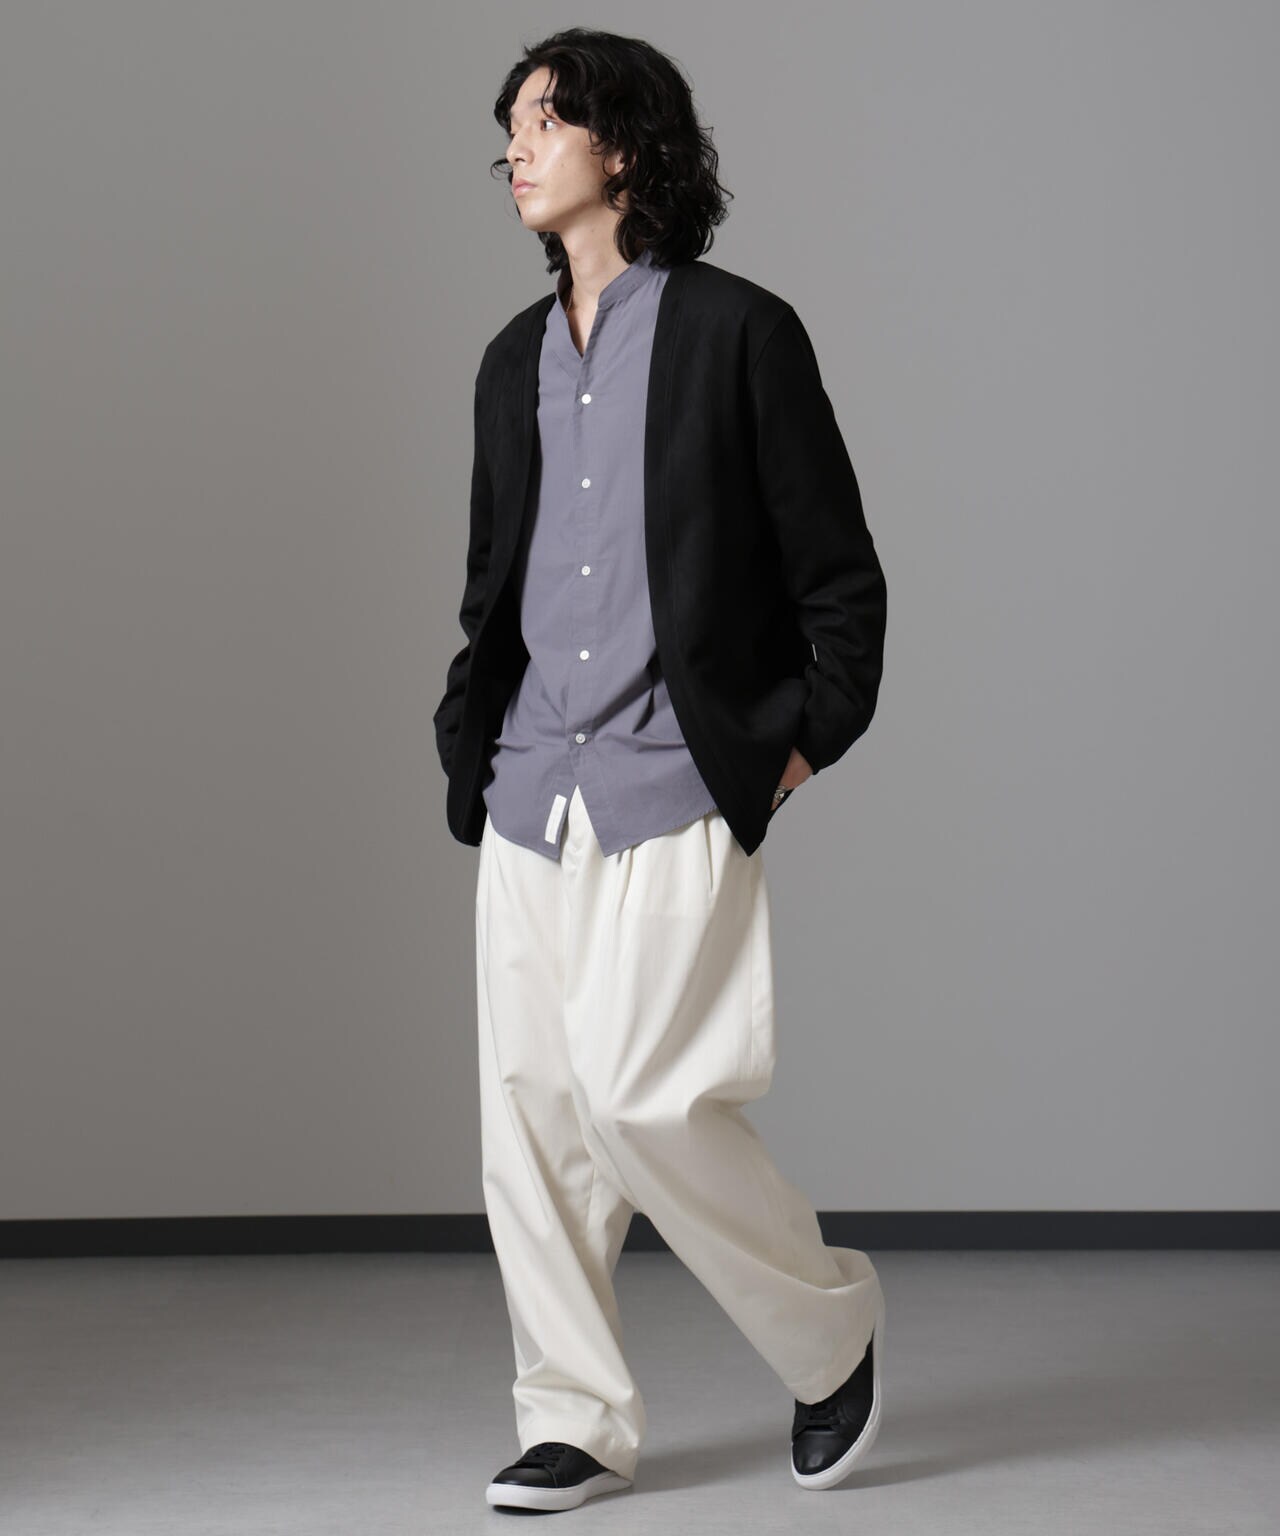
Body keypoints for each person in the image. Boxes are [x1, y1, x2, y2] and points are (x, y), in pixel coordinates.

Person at [433, 27, 888, 1514]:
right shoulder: (509, 362)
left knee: (645, 1099)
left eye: (545, 122)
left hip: (674, 778)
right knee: (534, 1126)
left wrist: (791, 743)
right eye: (509, 127)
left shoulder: (739, 333)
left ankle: (828, 1333)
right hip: (529, 787)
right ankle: (574, 1416)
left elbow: (840, 576)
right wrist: (466, 734)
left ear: (624, 148)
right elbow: (495, 582)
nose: (516, 148)